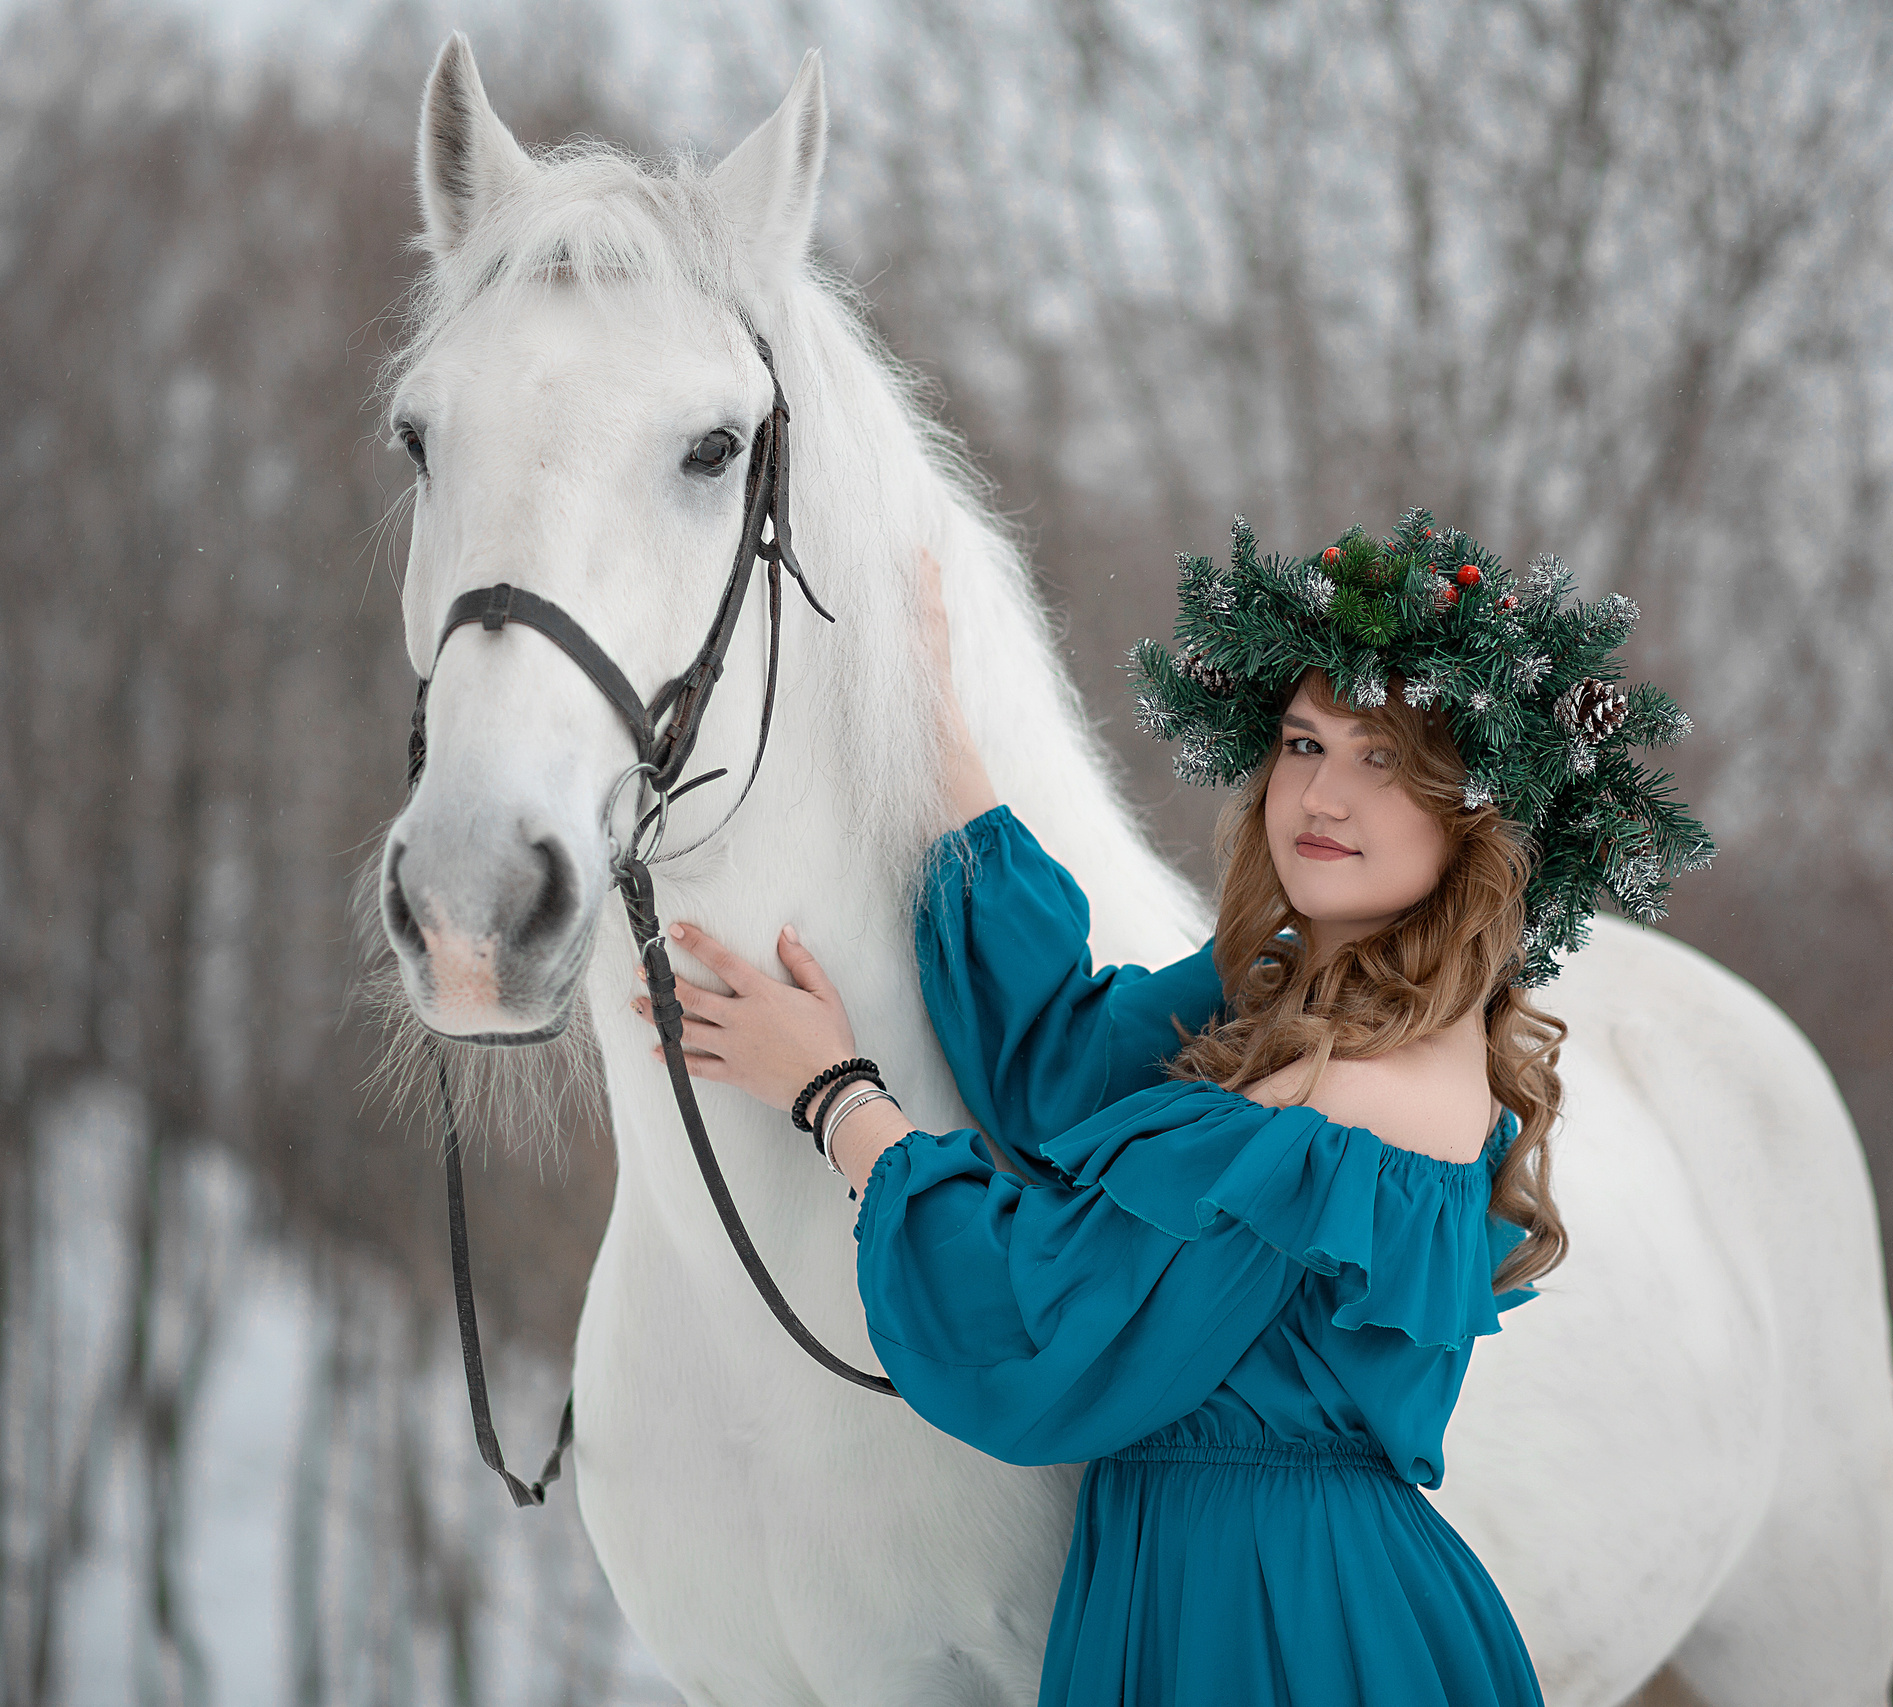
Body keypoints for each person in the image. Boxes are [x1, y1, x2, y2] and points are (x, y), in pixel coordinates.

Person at [631, 513, 1711, 1704]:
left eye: (1384, 761)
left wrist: (832, 1096)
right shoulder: (1301, 996)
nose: (1323, 795)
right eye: (1305, 744)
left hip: (1280, 1626)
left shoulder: (1350, 1094)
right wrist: (935, 721)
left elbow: (1043, 1308)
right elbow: (1067, 1071)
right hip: (1209, 1583)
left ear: (1475, 818)